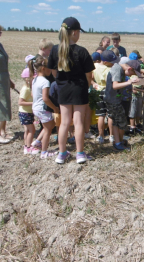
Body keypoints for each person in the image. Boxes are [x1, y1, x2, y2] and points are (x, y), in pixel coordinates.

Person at [47, 17, 95, 164]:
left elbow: (53, 72)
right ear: (74, 32)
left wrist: (61, 82)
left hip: (63, 89)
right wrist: (85, 86)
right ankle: (80, 154)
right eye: (79, 31)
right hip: (79, 89)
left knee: (64, 122)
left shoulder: (55, 50)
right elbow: (89, 75)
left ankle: (62, 154)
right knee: (78, 122)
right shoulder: (82, 51)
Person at [103, 50, 140, 150]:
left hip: (113, 99)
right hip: (113, 100)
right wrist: (129, 82)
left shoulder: (119, 67)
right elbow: (115, 86)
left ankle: (118, 142)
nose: (130, 75)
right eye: (132, 73)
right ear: (129, 68)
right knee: (122, 122)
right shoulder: (117, 69)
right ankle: (118, 142)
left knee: (116, 122)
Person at [31, 56, 59, 159]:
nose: (51, 70)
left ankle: (37, 142)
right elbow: (46, 99)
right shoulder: (45, 82)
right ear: (43, 68)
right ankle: (44, 152)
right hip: (42, 108)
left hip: (36, 107)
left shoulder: (35, 80)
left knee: (50, 125)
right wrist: (55, 108)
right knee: (48, 130)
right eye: (50, 67)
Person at [91, 52, 112, 144]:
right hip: (106, 91)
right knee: (110, 114)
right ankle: (111, 135)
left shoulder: (95, 66)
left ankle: (101, 136)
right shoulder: (108, 69)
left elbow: (90, 77)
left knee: (101, 115)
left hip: (98, 90)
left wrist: (93, 83)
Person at [18, 67, 38, 155]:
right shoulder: (25, 89)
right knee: (31, 130)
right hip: (25, 113)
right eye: (32, 78)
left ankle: (26, 146)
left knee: (27, 130)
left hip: (27, 113)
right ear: (26, 79)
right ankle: (29, 147)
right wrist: (33, 103)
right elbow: (20, 102)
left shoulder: (29, 88)